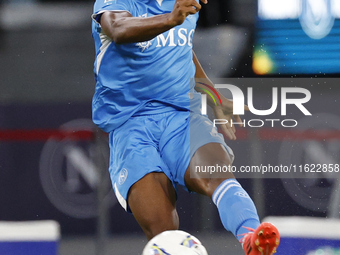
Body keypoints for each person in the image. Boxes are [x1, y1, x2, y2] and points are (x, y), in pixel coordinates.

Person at [91, 0, 280, 254]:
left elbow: (183, 48)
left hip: (181, 114)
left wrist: (214, 96)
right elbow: (118, 29)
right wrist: (170, 18)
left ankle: (251, 237)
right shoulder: (118, 2)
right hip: (130, 123)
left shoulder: (184, 3)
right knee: (164, 231)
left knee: (216, 171)